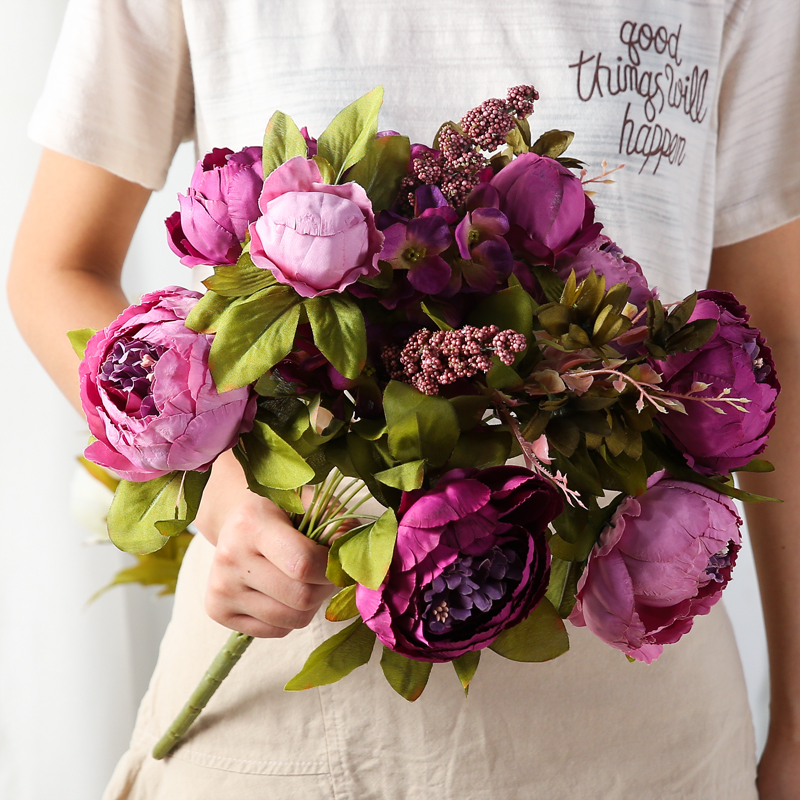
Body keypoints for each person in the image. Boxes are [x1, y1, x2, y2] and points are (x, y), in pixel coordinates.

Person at [7, 1, 800, 797]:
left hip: (636, 715)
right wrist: (227, 498)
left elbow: (775, 334)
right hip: (286, 664)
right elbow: (57, 265)